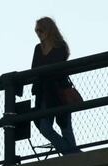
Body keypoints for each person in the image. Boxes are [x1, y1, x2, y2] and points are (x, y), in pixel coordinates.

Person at [31, 17, 80, 155]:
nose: (38, 33)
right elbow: (34, 69)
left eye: (40, 30)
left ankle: (72, 156)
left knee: (65, 127)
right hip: (44, 92)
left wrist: (44, 72)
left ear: (48, 30)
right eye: (36, 30)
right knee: (45, 127)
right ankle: (73, 154)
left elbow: (56, 67)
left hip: (59, 91)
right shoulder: (37, 48)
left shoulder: (60, 46)